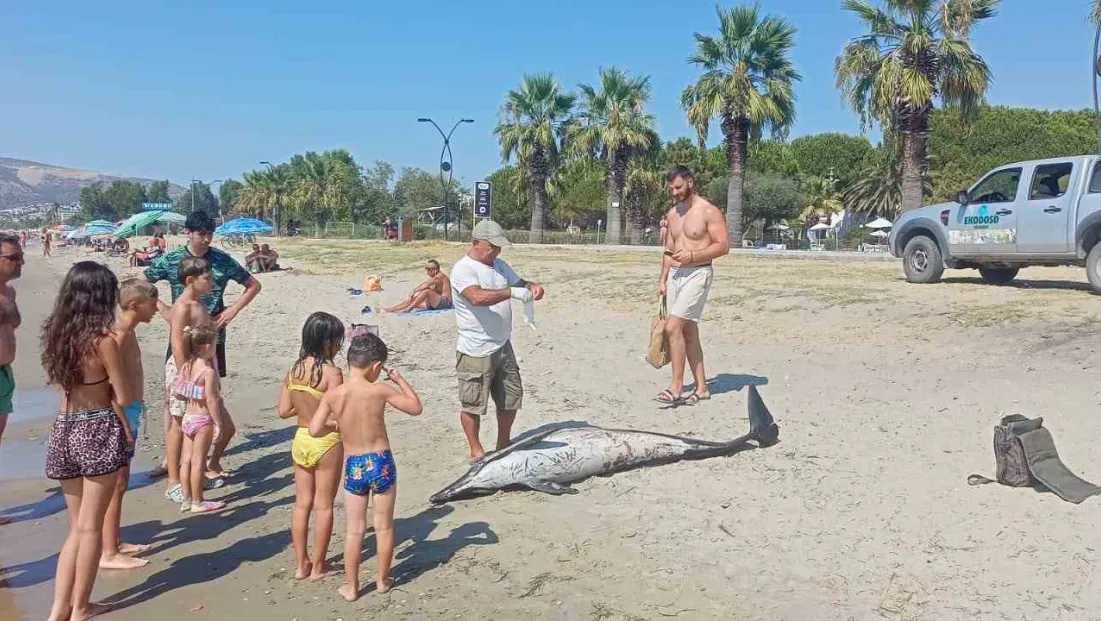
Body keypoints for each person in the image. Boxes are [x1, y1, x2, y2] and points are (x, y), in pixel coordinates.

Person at [42, 261, 134, 621]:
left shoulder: (56, 333)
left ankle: (57, 610)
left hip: (63, 427)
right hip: (96, 427)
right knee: (91, 527)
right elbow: (124, 396)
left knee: (75, 529)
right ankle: (80, 607)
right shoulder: (103, 341)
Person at [144, 210, 260, 493]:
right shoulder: (172, 259)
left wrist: (232, 309)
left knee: (208, 395)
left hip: (211, 338)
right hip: (182, 338)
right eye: (201, 234)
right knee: (175, 402)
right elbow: (144, 283)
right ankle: (173, 463)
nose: (206, 239)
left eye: (210, 234)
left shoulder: (220, 259)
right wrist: (167, 312)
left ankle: (198, 462)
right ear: (189, 233)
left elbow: (253, 284)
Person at [308, 332, 422, 601]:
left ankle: (352, 586)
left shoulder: (334, 395)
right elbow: (415, 408)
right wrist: (399, 380)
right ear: (376, 367)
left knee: (355, 529)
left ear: (348, 361)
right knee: (383, 526)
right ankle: (382, 580)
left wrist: (337, 424)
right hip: (381, 461)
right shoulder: (379, 389)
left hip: (355, 464)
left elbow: (314, 429)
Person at [449, 219, 544, 461]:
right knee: (473, 403)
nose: (497, 251)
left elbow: (519, 283)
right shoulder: (463, 269)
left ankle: (504, 443)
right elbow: (476, 297)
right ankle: (476, 449)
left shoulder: (500, 265)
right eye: (492, 246)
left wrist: (532, 287)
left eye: (499, 246)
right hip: (475, 348)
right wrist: (510, 293)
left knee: (510, 396)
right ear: (476, 243)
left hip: (503, 343)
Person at [277, 311, 345, 580]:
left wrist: (306, 408)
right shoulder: (332, 372)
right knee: (324, 505)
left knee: (302, 503)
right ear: (328, 341)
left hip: (301, 438)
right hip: (326, 440)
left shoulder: (293, 371)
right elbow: (338, 413)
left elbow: (283, 410)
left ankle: (301, 564)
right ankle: (319, 565)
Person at [655, 165, 730, 405]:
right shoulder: (673, 214)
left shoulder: (708, 211)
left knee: (672, 327)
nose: (674, 192)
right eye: (670, 189)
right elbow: (668, 251)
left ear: (689, 182)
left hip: (699, 273)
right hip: (676, 274)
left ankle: (676, 386)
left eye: (677, 187)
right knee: (688, 331)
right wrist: (663, 279)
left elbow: (723, 246)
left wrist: (693, 257)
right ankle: (702, 387)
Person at [162, 257, 233, 504]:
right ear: (191, 281)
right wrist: (188, 378)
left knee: (205, 425)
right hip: (188, 371)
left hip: (201, 368)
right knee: (181, 424)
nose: (212, 282)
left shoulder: (199, 304)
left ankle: (198, 475)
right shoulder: (183, 307)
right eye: (207, 278)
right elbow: (178, 345)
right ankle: (176, 482)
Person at [99, 278, 159, 570]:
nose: (156, 309)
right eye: (152, 303)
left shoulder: (130, 333)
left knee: (121, 483)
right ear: (135, 305)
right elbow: (108, 388)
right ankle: (108, 551)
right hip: (121, 413)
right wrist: (123, 424)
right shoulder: (119, 335)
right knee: (117, 482)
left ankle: (115, 540)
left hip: (131, 409)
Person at [175, 323, 227, 514]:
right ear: (206, 347)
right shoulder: (208, 372)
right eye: (214, 345)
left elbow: (180, 393)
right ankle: (198, 500)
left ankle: (187, 498)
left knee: (186, 461)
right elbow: (212, 400)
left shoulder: (187, 366)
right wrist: (219, 424)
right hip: (202, 420)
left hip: (188, 417)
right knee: (198, 462)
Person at [0, 232, 22, 526]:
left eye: (21, 256)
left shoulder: (10, 294)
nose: (20, 263)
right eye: (13, 258)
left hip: (5, 373)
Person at [379, 259, 453, 314]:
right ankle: (389, 310)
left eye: (429, 269)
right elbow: (428, 287)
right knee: (413, 300)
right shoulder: (434, 278)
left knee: (426, 291)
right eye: (426, 269)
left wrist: (413, 291)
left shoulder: (439, 276)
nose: (427, 271)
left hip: (445, 303)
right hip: (436, 303)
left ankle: (408, 309)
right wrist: (416, 296)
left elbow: (425, 284)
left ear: (435, 270)